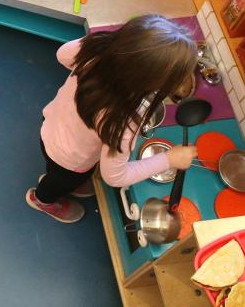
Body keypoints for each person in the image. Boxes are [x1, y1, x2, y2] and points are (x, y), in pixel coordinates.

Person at [26, 15, 199, 223]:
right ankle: (41, 199)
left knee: (61, 174)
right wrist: (169, 159)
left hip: (50, 126)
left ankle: (63, 182)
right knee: (59, 181)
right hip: (71, 160)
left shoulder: (96, 50)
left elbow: (62, 54)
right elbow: (115, 177)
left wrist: (108, 45)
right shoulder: (123, 120)